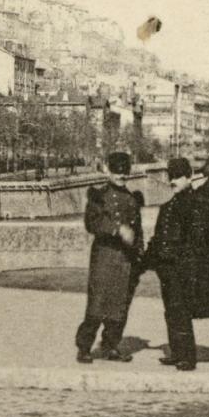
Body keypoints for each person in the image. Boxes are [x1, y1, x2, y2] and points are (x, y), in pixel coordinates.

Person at [143, 157, 209, 371]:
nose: (174, 180)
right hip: (168, 268)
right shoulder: (169, 205)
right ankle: (177, 352)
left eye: (178, 176)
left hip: (185, 268)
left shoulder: (197, 203)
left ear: (189, 177)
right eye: (171, 176)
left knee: (181, 311)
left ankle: (187, 357)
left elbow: (198, 240)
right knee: (171, 311)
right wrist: (147, 260)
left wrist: (181, 258)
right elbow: (158, 237)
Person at [75, 151, 144, 363]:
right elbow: (92, 223)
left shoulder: (132, 199)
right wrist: (117, 230)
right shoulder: (99, 196)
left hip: (125, 260)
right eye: (117, 173)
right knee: (97, 304)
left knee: (120, 306)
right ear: (109, 171)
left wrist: (139, 256)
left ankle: (111, 345)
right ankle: (85, 347)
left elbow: (138, 231)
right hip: (104, 257)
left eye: (124, 174)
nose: (121, 176)